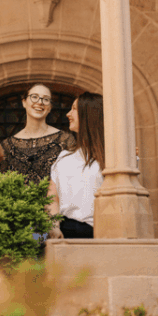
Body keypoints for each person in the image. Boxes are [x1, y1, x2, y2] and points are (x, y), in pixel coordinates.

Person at [47, 92, 105, 239]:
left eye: (74, 109)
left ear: (89, 114)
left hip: (96, 230)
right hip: (64, 228)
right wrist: (54, 226)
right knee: (29, 237)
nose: (68, 114)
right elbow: (52, 198)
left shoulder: (113, 157)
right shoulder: (63, 157)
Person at [0, 83, 75, 185]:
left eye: (46, 99)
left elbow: (73, 179)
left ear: (50, 107)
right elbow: (5, 183)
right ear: (24, 102)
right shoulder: (8, 144)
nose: (40, 102)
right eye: (34, 97)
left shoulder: (65, 139)